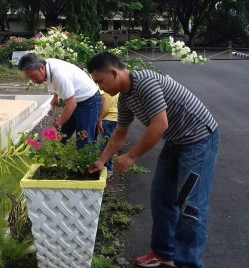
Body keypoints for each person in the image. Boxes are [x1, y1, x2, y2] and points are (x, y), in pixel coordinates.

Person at [87, 51, 220, 268]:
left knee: (191, 205)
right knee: (161, 195)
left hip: (200, 140)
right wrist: (102, 160)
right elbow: (120, 135)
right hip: (176, 141)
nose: (101, 88)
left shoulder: (145, 83)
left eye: (100, 81)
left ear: (113, 73)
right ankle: (163, 252)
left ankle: (189, 263)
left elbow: (160, 125)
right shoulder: (126, 99)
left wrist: (131, 156)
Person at [18, 53, 102, 149]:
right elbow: (58, 85)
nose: (32, 80)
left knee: (84, 141)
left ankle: (87, 163)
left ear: (42, 68)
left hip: (89, 101)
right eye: (29, 78)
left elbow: (71, 103)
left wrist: (56, 126)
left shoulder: (58, 74)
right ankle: (55, 159)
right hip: (75, 100)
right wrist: (55, 97)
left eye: (33, 76)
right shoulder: (47, 64)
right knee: (61, 135)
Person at [97, 91, 119, 178]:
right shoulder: (116, 90)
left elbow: (105, 105)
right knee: (109, 142)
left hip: (109, 119)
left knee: (104, 145)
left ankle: (109, 169)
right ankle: (108, 167)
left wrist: (100, 118)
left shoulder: (103, 91)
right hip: (116, 118)